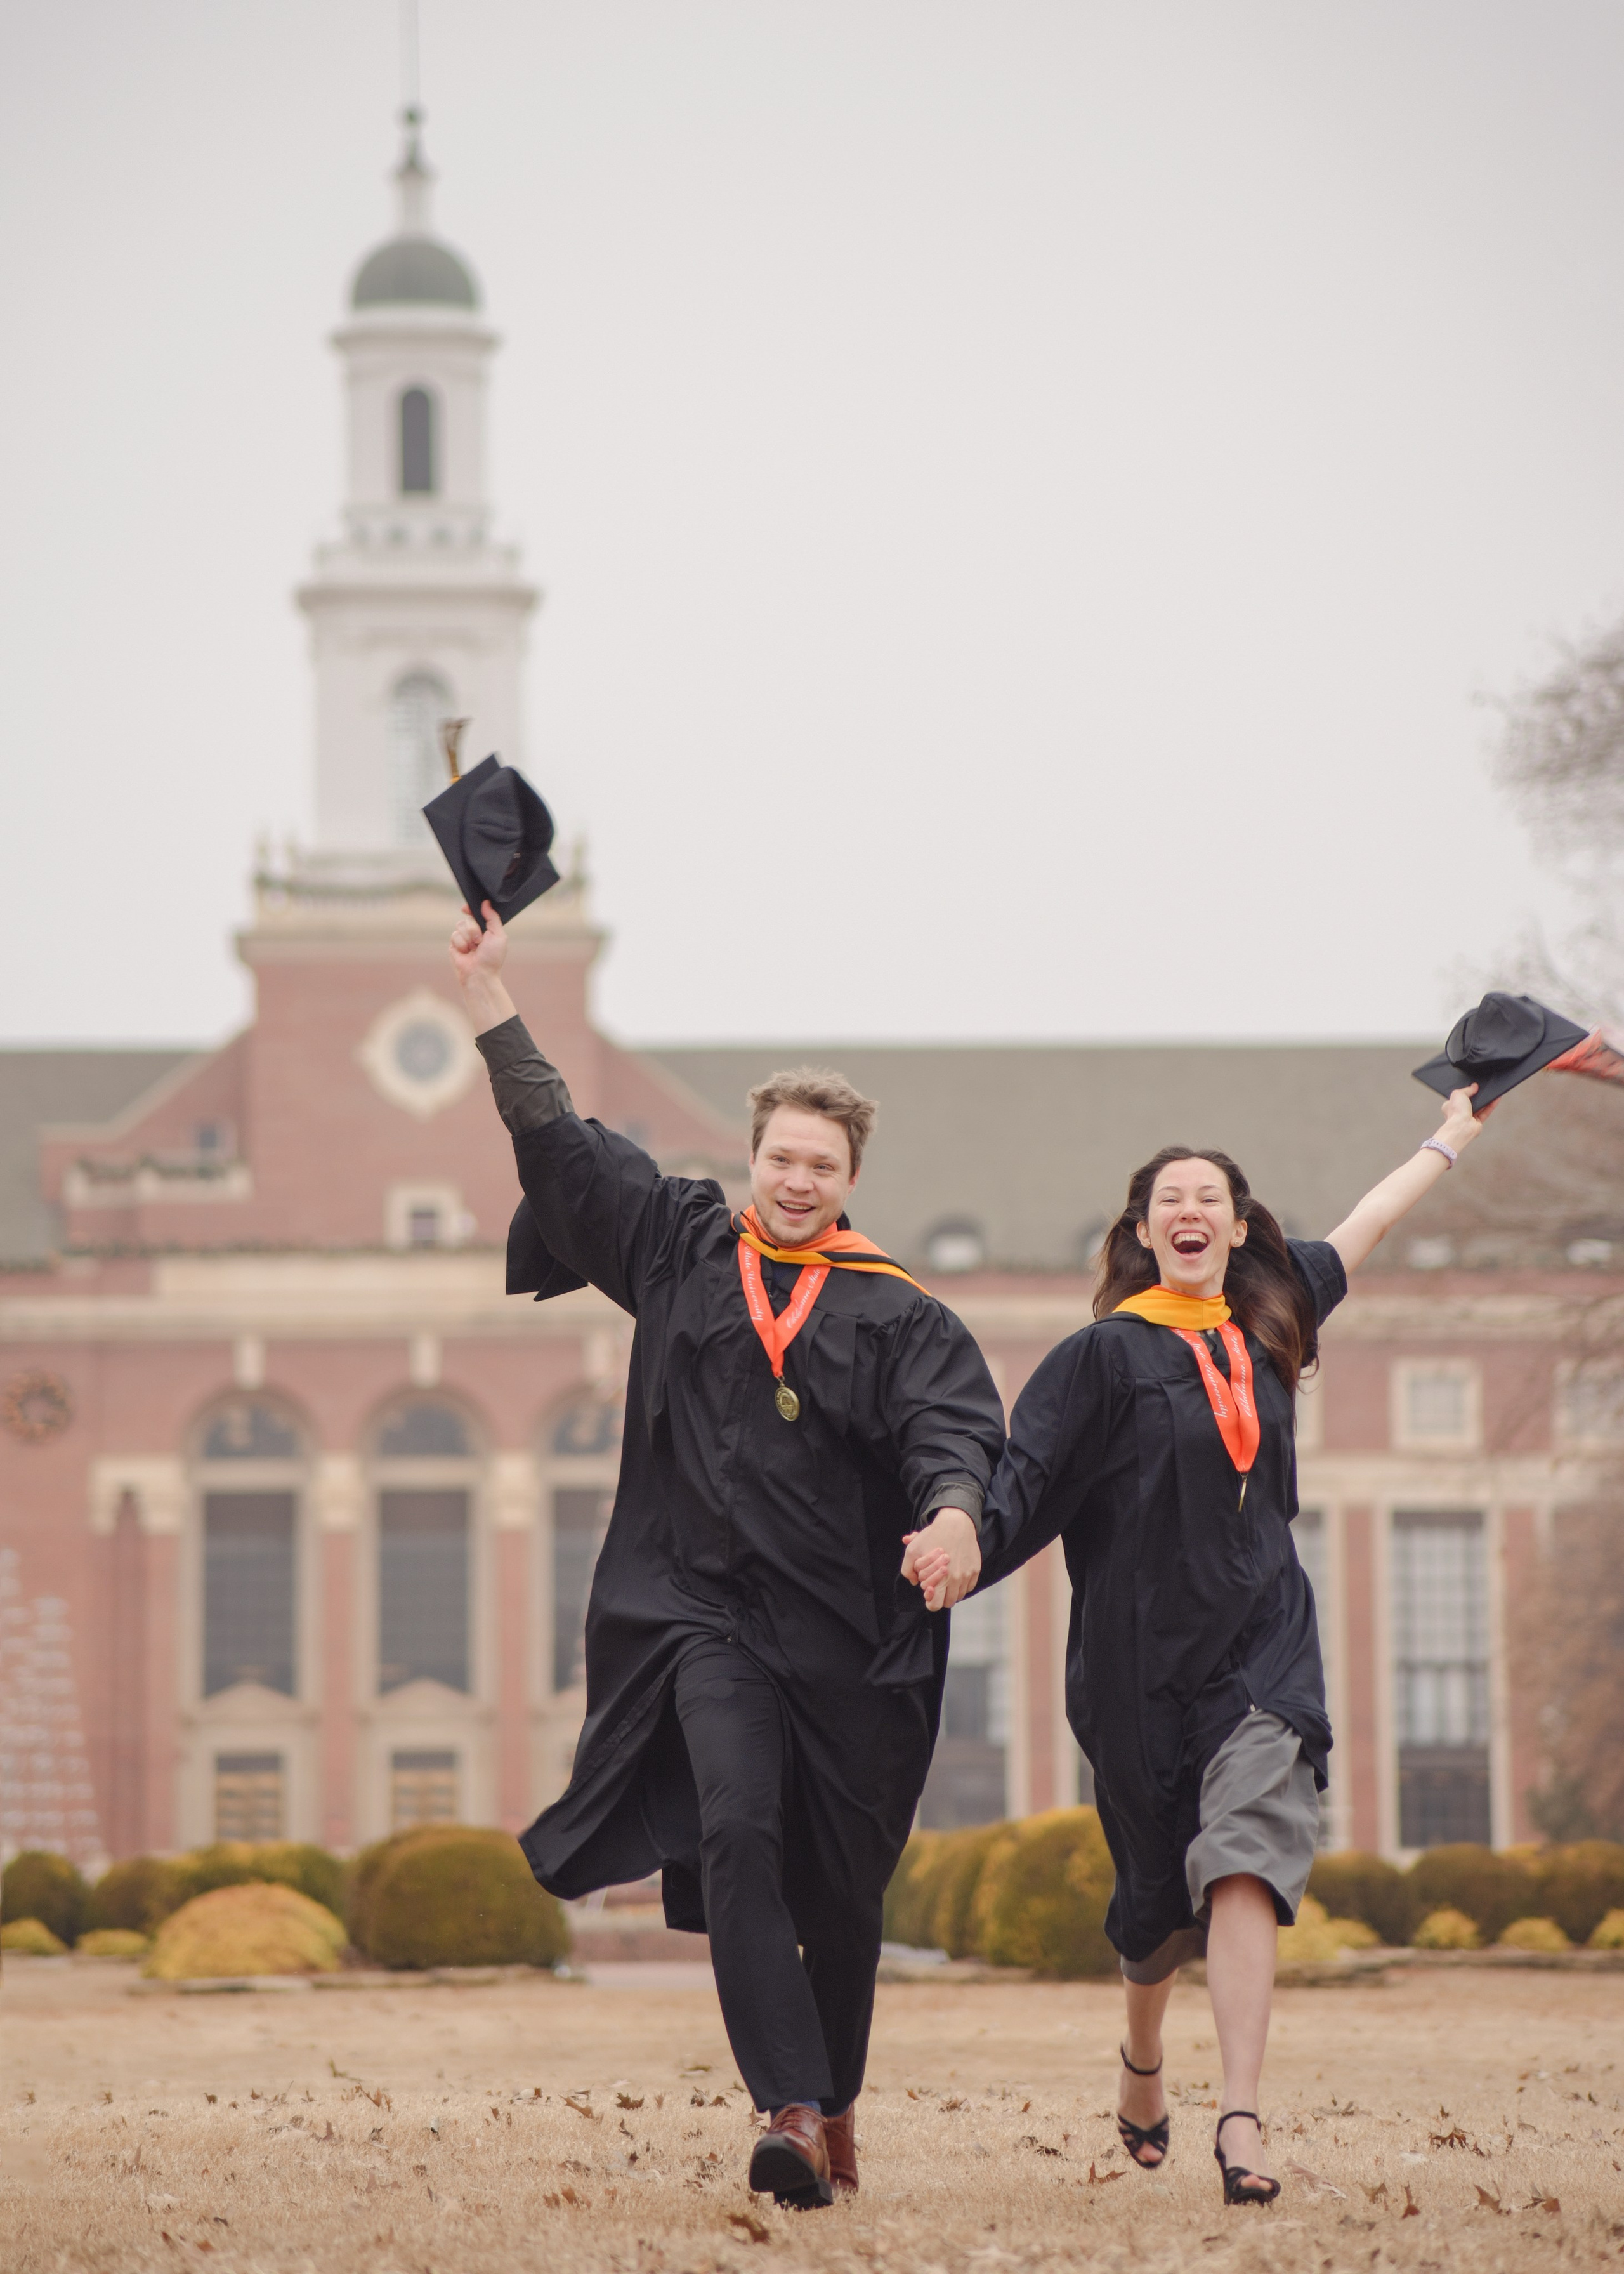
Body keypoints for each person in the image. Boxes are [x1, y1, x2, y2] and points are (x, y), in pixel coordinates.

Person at [449, 901, 1002, 2209]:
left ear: (851, 1178)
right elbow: (562, 1144)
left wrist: (954, 1517)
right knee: (737, 1830)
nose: (798, 1181)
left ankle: (835, 2094)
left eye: (823, 1165)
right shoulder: (685, 1248)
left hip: (849, 1641)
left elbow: (954, 1434)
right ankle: (790, 2111)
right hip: (705, 1619)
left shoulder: (897, 1313)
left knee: (843, 1895)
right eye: (781, 1158)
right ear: (751, 1158)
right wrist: (489, 998)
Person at [909, 1085, 1493, 2207]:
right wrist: (957, 1540)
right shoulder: (1099, 1357)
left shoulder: (1271, 1315)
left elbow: (1368, 1224)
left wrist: (1451, 1136)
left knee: (1245, 1854)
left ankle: (1240, 2115)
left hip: (1264, 1644)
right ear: (1143, 1231)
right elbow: (1020, 1482)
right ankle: (1142, 2059)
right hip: (1135, 1668)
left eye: (1209, 1198)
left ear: (1236, 1224)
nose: (1190, 1211)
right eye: (1169, 1199)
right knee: (1151, 1905)